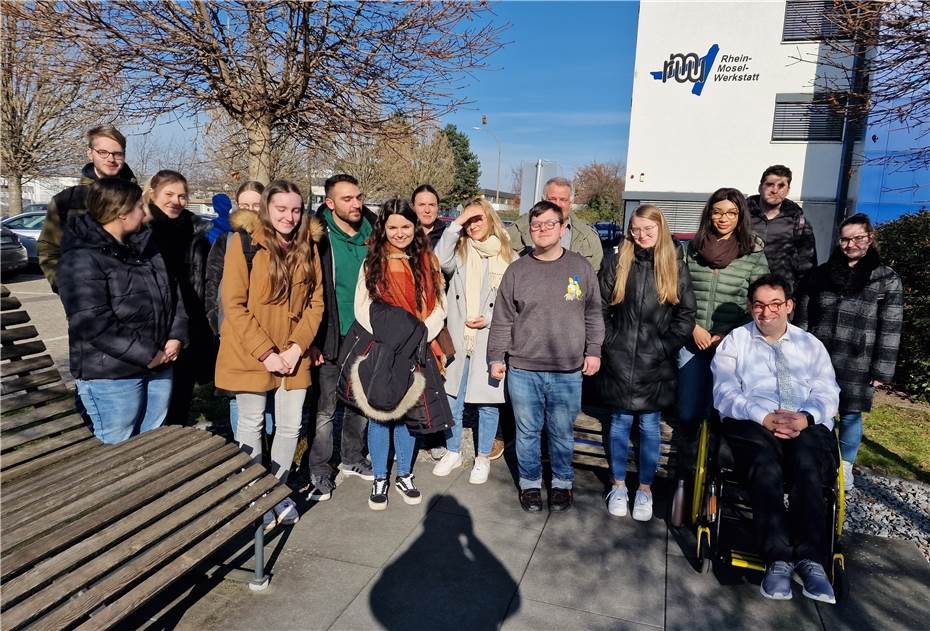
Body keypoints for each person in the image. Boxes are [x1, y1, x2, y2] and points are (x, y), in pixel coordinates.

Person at [712, 274, 840, 604]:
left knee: (808, 463)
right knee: (765, 464)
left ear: (789, 306)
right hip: (753, 421)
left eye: (774, 304)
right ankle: (778, 559)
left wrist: (805, 417)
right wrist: (763, 416)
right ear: (750, 307)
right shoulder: (735, 342)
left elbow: (828, 392)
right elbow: (724, 392)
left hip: (803, 420)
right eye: (758, 305)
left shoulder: (811, 346)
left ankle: (811, 561)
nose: (766, 312)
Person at [215, 180, 324, 529]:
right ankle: (255, 495)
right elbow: (233, 303)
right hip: (252, 351)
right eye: (281, 209)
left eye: (295, 210)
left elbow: (316, 303)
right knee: (252, 423)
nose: (289, 217)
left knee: (290, 426)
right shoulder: (243, 243)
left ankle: (278, 492)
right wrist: (267, 353)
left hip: (294, 353)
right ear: (266, 209)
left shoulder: (309, 245)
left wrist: (295, 348)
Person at [488, 201, 604, 513]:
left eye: (549, 224)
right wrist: (496, 358)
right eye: (536, 225)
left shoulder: (580, 268)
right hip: (524, 368)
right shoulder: (517, 270)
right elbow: (502, 319)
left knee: (562, 431)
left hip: (567, 370)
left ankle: (562, 483)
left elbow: (594, 314)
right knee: (527, 431)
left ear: (563, 228)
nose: (542, 230)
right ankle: (529, 483)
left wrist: (593, 351)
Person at [58, 178, 186, 444]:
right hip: (113, 376)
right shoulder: (81, 257)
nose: (145, 210)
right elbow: (92, 322)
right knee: (116, 450)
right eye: (139, 205)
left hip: (160, 365)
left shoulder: (146, 247)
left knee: (152, 442)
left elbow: (173, 294)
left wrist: (176, 335)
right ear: (122, 212)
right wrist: (149, 354)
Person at [598, 205, 695, 521]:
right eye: (635, 230)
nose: (641, 236)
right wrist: (611, 342)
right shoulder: (618, 261)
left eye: (648, 231)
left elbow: (686, 315)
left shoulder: (674, 265)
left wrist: (664, 347)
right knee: (620, 423)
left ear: (661, 231)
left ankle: (644, 490)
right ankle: (618, 485)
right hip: (620, 358)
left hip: (656, 364)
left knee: (650, 426)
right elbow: (599, 307)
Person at [350, 199, 449, 510]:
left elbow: (439, 307)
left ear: (414, 226)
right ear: (384, 228)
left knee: (408, 413)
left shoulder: (427, 261)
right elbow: (362, 308)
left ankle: (404, 473)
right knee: (381, 414)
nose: (400, 232)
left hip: (418, 347)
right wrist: (393, 336)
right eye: (392, 226)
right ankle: (380, 475)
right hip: (385, 347)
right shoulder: (373, 262)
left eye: (405, 226)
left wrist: (420, 334)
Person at [795, 213, 903, 491]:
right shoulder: (820, 274)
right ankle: (817, 461)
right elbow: (804, 317)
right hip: (820, 355)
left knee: (851, 414)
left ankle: (846, 467)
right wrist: (797, 352)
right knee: (818, 411)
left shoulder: (885, 278)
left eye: (858, 238)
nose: (850, 244)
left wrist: (882, 370)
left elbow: (891, 325)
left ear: (870, 238)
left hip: (859, 357)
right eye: (845, 239)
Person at [306, 174, 377, 501]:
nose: (356, 204)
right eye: (347, 199)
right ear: (330, 203)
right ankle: (319, 470)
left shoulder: (373, 231)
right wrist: (314, 339)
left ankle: (352, 458)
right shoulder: (317, 237)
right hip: (331, 333)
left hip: (365, 334)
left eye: (358, 197)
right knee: (325, 409)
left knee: (359, 403)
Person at [431, 197, 513, 484]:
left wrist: (489, 320)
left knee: (488, 402)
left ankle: (481, 457)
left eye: (479, 218)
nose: (473, 224)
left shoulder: (507, 256)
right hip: (458, 336)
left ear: (490, 219)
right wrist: (456, 223)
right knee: (453, 395)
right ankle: (453, 450)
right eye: (469, 219)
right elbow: (438, 260)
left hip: (490, 337)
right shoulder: (460, 252)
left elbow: (512, 304)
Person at [678, 189, 769, 434]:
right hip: (692, 340)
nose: (723, 218)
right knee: (687, 411)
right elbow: (675, 293)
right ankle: (685, 463)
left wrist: (727, 334)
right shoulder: (691, 250)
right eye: (717, 212)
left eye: (731, 212)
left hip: (731, 343)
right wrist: (692, 327)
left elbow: (759, 304)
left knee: (720, 412)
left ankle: (711, 467)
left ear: (740, 217)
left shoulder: (753, 253)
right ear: (709, 214)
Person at [204, 181, 274, 440]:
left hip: (269, 330)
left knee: (266, 396)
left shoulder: (275, 239)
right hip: (235, 330)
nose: (251, 210)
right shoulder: (227, 239)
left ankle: (265, 449)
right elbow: (213, 285)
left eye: (256, 204)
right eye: (245, 205)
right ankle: (245, 454)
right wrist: (218, 324)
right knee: (240, 398)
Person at [145, 170, 214, 425]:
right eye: (169, 194)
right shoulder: (141, 229)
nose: (176, 201)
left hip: (190, 326)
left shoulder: (197, 230)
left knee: (180, 400)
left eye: (182, 196)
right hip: (153, 327)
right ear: (152, 194)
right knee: (152, 405)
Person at [38, 124, 137, 292]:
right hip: (87, 297)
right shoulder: (67, 200)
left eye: (117, 153)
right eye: (103, 152)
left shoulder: (138, 198)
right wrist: (62, 283)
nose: (111, 159)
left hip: (137, 295)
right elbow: (48, 248)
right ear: (90, 153)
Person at [506, 177, 602, 271]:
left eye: (563, 199)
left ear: (571, 202)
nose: (557, 204)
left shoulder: (587, 236)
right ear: (543, 200)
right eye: (552, 199)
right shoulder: (518, 229)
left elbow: (592, 277)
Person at [747, 165, 817, 293]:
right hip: (744, 293)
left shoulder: (799, 222)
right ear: (760, 186)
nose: (775, 190)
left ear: (788, 190)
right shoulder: (742, 216)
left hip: (782, 295)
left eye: (781, 186)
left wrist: (798, 297)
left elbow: (807, 266)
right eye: (770, 184)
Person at [412, 183, 448, 249]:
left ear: (437, 207)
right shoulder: (405, 236)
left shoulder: (447, 235)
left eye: (431, 205)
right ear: (413, 207)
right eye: (422, 205)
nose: (427, 210)